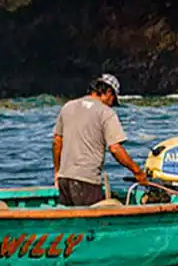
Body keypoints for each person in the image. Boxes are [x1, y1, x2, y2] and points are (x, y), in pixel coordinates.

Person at [52, 73, 148, 206]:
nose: (112, 104)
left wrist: (57, 170)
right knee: (89, 224)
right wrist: (137, 172)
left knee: (72, 223)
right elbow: (115, 149)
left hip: (64, 179)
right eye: (113, 99)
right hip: (86, 181)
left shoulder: (68, 106)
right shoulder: (106, 113)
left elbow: (57, 141)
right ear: (109, 92)